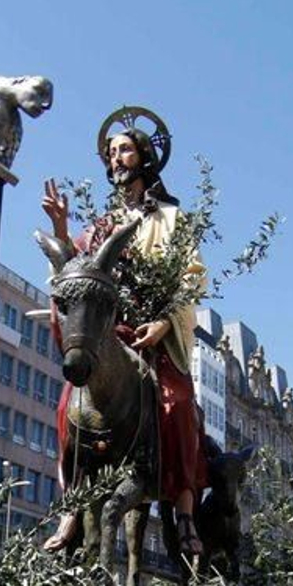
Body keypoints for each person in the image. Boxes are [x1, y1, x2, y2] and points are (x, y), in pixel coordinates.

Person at [41, 115, 207, 557]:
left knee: (179, 403)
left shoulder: (171, 217)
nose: (117, 158)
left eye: (125, 150)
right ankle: (73, 504)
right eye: (112, 153)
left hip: (154, 329)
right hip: (110, 327)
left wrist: (166, 322)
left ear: (145, 158)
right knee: (68, 404)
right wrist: (61, 228)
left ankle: (186, 510)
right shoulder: (101, 224)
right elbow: (76, 270)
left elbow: (191, 278)